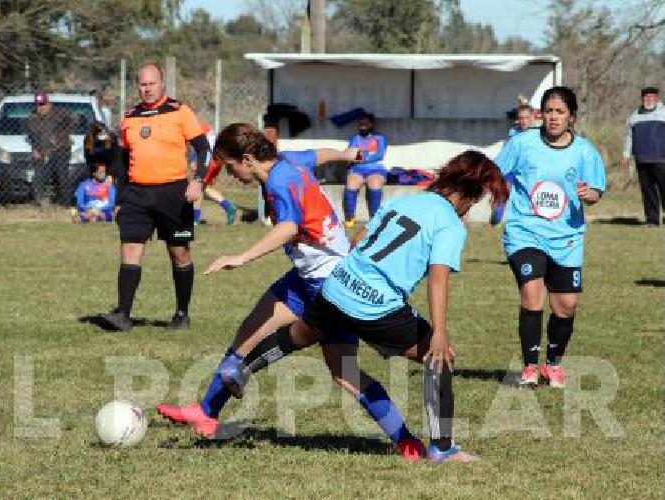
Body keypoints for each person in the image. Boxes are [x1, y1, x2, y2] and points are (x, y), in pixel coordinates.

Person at [155, 123, 426, 462]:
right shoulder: (287, 160)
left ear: (249, 159)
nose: (231, 173)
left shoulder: (279, 183)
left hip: (330, 285)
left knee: (343, 372)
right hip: (309, 275)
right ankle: (207, 413)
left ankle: (406, 441)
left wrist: (240, 257)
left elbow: (288, 227)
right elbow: (319, 155)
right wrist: (345, 156)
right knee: (251, 331)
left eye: (231, 166)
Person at [218, 149, 509, 463]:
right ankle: (442, 448)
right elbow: (439, 280)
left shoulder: (406, 200)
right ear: (472, 193)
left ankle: (243, 369)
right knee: (440, 358)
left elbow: (358, 240)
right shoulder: (450, 225)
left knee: (298, 336)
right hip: (376, 306)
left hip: (337, 285)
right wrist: (438, 332)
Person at [494, 86, 606, 389]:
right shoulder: (522, 143)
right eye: (549, 111)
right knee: (532, 295)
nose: (553, 118)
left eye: (560, 112)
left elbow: (596, 191)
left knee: (566, 305)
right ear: (541, 114)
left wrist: (589, 194)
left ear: (571, 116)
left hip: (566, 237)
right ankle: (530, 366)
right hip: (525, 231)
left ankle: (553, 364)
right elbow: (495, 172)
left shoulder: (584, 151)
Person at [98, 62, 211, 332]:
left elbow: (204, 150)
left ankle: (182, 314)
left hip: (173, 192)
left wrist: (198, 182)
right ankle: (123, 315)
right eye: (142, 84)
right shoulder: (129, 117)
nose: (147, 89)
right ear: (138, 86)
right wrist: (118, 201)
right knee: (130, 249)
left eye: (152, 84)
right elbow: (122, 165)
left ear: (162, 84)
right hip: (137, 194)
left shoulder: (179, 111)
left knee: (179, 252)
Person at [621, 87, 665, 226]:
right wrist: (626, 154)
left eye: (652, 97)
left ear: (657, 98)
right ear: (642, 99)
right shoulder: (634, 117)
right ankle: (652, 220)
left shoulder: (663, 113)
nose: (649, 99)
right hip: (642, 159)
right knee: (648, 191)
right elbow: (629, 137)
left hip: (662, 159)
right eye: (646, 97)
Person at [25, 91, 75, 206]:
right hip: (43, 151)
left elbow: (73, 120)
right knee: (39, 177)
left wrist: (61, 134)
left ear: (48, 104)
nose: (41, 107)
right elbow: (33, 137)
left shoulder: (59, 114)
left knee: (62, 176)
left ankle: (66, 204)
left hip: (61, 149)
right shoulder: (31, 119)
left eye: (43, 104)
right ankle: (39, 202)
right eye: (38, 105)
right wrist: (35, 148)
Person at [491, 104, 537, 225]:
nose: (523, 121)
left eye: (526, 117)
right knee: (503, 192)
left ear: (532, 117)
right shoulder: (514, 133)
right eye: (521, 118)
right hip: (511, 169)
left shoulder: (538, 135)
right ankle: (496, 219)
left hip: (527, 171)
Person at [343, 114, 388, 227]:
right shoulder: (355, 138)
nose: (363, 126)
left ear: (372, 124)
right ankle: (350, 217)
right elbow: (351, 153)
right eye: (361, 123)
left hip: (375, 168)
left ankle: (375, 217)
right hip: (357, 169)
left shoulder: (380, 138)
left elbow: (379, 154)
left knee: (375, 183)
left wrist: (362, 158)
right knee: (351, 183)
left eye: (366, 123)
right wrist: (356, 158)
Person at [190, 121, 237, 225]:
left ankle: (228, 207)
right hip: (216, 159)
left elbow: (200, 143)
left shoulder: (194, 125)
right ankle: (195, 219)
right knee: (202, 188)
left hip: (209, 159)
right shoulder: (203, 125)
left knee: (199, 186)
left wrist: (195, 159)